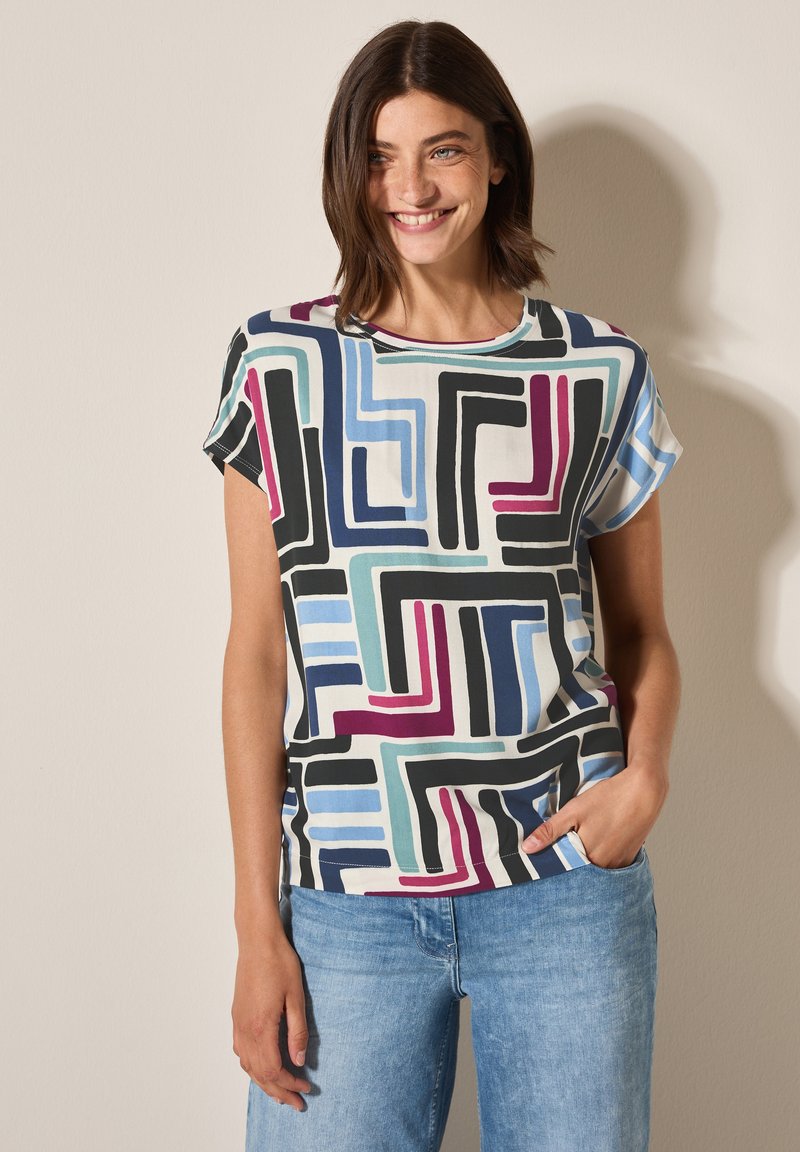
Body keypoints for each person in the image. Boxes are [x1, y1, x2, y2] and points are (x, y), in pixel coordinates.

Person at [201, 19, 683, 1152]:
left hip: (564, 888)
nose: (409, 189)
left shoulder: (596, 368)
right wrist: (257, 925)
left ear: (498, 156)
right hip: (346, 900)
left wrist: (645, 779)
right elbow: (256, 654)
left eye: (443, 150)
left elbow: (642, 632)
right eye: (378, 157)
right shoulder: (280, 364)